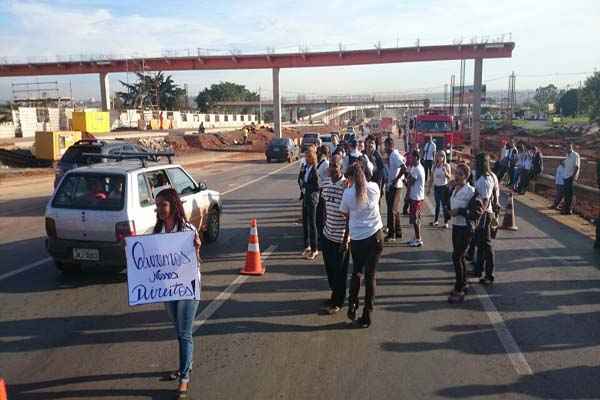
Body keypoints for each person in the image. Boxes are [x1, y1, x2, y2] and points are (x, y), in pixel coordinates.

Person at [155, 188, 202, 399]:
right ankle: (186, 365)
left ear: (173, 206)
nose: (159, 209)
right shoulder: (158, 232)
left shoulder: (187, 229)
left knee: (184, 333)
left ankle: (184, 377)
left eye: (163, 205)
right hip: (167, 288)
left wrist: (197, 248)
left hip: (187, 287)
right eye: (157, 205)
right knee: (179, 329)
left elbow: (195, 262)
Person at [340, 163, 384, 328]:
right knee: (371, 276)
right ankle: (367, 315)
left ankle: (352, 303)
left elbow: (344, 213)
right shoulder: (374, 188)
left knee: (357, 272)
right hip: (375, 236)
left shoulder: (348, 194)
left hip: (358, 239)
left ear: (350, 178)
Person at [321, 154, 350, 314]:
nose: (331, 168)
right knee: (330, 269)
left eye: (334, 166)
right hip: (327, 234)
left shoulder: (346, 186)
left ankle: (338, 301)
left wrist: (347, 238)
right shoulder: (326, 183)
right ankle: (334, 294)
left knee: (340, 271)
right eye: (330, 165)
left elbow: (350, 214)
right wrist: (324, 227)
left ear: (341, 168)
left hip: (340, 237)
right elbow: (325, 206)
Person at [448, 163, 480, 303]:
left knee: (456, 256)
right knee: (459, 257)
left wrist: (460, 211)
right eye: (457, 173)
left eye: (461, 174)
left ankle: (459, 288)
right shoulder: (455, 188)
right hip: (456, 226)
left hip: (465, 228)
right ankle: (464, 283)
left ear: (466, 177)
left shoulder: (471, 191)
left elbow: (474, 213)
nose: (457, 176)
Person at [470, 153, 499, 285]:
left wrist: (479, 218)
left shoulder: (486, 180)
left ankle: (489, 274)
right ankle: (478, 269)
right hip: (485, 214)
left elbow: (486, 200)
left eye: (476, 161)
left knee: (486, 245)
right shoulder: (484, 177)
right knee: (480, 244)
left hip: (485, 215)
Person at [384, 137, 406, 242]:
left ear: (390, 145)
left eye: (386, 146)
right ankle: (398, 232)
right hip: (392, 186)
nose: (385, 148)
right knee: (395, 210)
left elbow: (404, 168)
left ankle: (391, 235)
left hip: (395, 187)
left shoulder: (394, 155)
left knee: (391, 210)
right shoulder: (393, 155)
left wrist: (395, 179)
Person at [300, 146, 320, 260]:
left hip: (312, 199)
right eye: (305, 156)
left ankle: (314, 249)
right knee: (305, 223)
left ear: (312, 157)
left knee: (312, 224)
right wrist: (301, 182)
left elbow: (317, 186)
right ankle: (307, 246)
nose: (305, 158)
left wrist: (306, 185)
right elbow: (301, 179)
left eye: (307, 156)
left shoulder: (315, 169)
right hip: (305, 197)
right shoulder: (306, 167)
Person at [407, 151, 426, 247]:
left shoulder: (417, 169)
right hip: (417, 196)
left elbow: (410, 182)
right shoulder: (417, 167)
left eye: (411, 158)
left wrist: (407, 180)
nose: (410, 159)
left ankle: (418, 239)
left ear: (416, 158)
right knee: (416, 218)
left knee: (415, 219)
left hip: (416, 197)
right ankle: (416, 237)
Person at [431, 150, 451, 228]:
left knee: (444, 205)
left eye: (442, 156)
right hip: (436, 187)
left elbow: (449, 177)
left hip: (444, 187)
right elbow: (432, 178)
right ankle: (436, 221)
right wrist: (429, 188)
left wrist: (445, 172)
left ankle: (446, 222)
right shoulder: (434, 166)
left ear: (444, 157)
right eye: (439, 156)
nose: (440, 157)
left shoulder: (446, 166)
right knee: (437, 205)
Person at [316, 145, 331, 236]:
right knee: (319, 215)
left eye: (319, 152)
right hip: (319, 190)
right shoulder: (321, 162)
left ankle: (322, 235)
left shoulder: (326, 164)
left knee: (322, 215)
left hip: (323, 190)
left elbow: (327, 178)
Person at [561, 143, 580, 215]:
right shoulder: (567, 156)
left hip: (570, 178)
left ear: (571, 147)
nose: (567, 149)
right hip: (566, 177)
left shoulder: (575, 155)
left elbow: (576, 167)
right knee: (566, 194)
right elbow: (565, 164)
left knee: (570, 195)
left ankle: (568, 210)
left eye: (569, 147)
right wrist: (562, 163)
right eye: (566, 147)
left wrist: (573, 177)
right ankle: (565, 209)